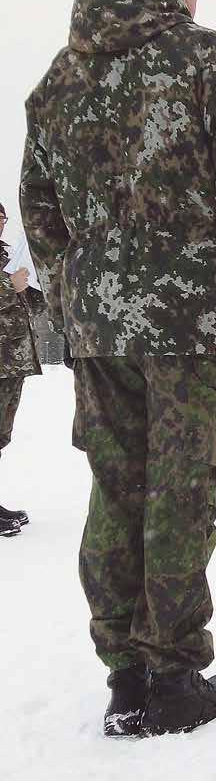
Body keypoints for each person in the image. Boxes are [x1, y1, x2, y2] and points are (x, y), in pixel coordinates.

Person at [20, 0, 216, 737]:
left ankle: (125, 671)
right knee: (181, 490)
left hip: (101, 332)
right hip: (192, 323)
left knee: (118, 485)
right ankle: (172, 675)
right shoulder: (210, 59)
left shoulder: (56, 80)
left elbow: (38, 208)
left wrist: (76, 300)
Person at [0, 203, 46, 536]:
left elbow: (27, 305)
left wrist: (33, 285)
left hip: (10, 362)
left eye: (2, 218)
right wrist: (7, 286)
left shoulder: (6, 255)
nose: (1, 223)